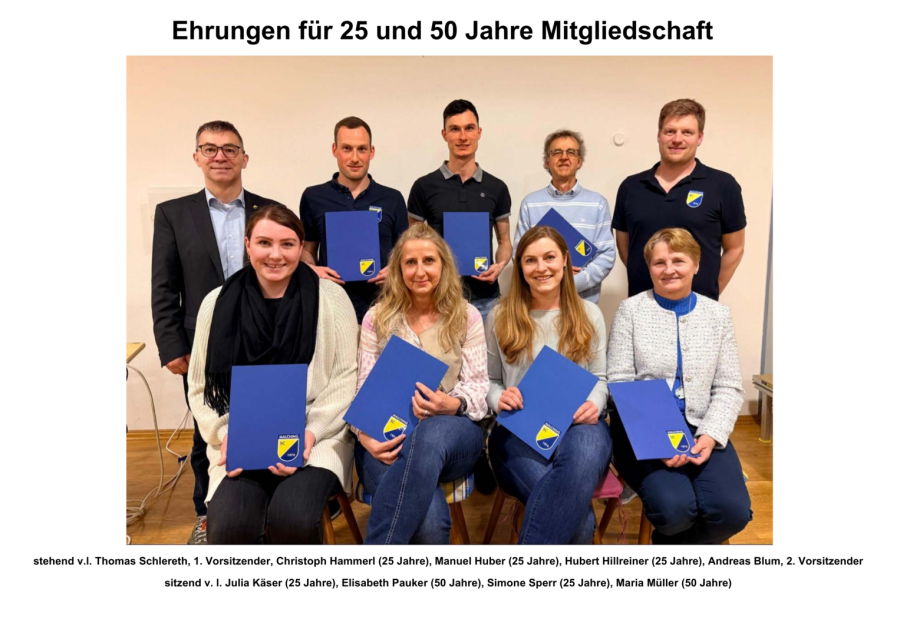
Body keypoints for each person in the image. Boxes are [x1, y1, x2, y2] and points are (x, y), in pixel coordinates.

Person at [186, 204, 358, 544]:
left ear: (301, 247)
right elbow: (200, 388)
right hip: (240, 439)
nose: (276, 255)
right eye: (264, 243)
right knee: (231, 528)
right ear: (247, 245)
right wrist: (227, 435)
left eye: (287, 244)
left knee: (293, 518)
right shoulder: (215, 304)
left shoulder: (331, 299)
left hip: (316, 439)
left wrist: (310, 434)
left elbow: (345, 379)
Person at [151, 120, 279, 544]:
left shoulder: (268, 210)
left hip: (264, 337)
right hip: (201, 343)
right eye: (210, 149)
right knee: (209, 429)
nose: (220, 156)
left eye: (229, 149)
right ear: (197, 157)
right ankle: (207, 513)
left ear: (244, 158)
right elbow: (164, 285)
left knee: (267, 420)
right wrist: (171, 345)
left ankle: (261, 509)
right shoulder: (173, 214)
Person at [607, 227, 752, 544]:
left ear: (696, 265)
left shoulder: (718, 315)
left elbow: (728, 387)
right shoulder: (630, 311)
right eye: (659, 262)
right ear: (649, 268)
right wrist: (657, 439)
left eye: (678, 260)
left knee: (733, 513)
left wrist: (710, 435)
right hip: (642, 430)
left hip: (703, 426)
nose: (669, 269)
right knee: (674, 512)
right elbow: (619, 382)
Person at [355, 224, 489, 544]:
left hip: (452, 433)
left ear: (443, 265)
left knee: (430, 435)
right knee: (429, 525)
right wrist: (364, 436)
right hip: (387, 438)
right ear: (398, 269)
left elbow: (478, 388)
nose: (420, 271)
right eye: (410, 262)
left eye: (429, 261)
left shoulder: (467, 316)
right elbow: (363, 389)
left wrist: (451, 404)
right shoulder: (376, 318)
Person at [485, 226, 612, 544]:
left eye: (549, 257)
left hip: (580, 426)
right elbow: (489, 380)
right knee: (579, 526)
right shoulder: (499, 316)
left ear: (566, 260)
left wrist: (595, 403)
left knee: (582, 459)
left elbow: (601, 378)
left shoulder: (589, 314)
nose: (541, 267)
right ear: (520, 267)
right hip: (517, 430)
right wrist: (499, 398)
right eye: (530, 260)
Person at [612, 98, 746, 300]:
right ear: (659, 135)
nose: (677, 139)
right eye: (670, 131)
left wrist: (708, 294)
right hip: (642, 305)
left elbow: (735, 248)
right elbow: (625, 248)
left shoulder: (723, 185)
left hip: (698, 308)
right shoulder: (631, 187)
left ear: (700, 137)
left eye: (687, 132)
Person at [408, 99, 512, 322]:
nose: (462, 137)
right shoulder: (423, 187)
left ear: (479, 132)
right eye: (455, 129)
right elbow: (410, 244)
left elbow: (504, 241)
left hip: (485, 300)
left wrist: (500, 266)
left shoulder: (497, 188)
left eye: (469, 128)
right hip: (436, 299)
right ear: (444, 134)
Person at [299, 116, 409, 322]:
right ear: (335, 150)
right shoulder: (313, 197)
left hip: (385, 309)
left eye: (362, 149)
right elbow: (308, 250)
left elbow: (406, 252)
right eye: (347, 149)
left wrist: (397, 270)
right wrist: (312, 270)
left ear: (371, 152)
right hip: (332, 309)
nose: (355, 158)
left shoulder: (392, 198)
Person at [514, 129, 616, 304]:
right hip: (539, 303)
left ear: (579, 161)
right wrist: (548, 282)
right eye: (556, 152)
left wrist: (573, 283)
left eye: (571, 152)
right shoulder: (530, 204)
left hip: (583, 304)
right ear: (547, 162)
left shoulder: (597, 203)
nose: (564, 157)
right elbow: (519, 252)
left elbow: (606, 255)